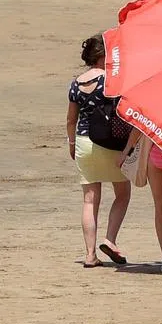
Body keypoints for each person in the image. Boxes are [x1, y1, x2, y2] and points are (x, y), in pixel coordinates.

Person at [66, 34, 133, 268]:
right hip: (110, 142)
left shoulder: (77, 82)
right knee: (122, 194)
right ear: (104, 56)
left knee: (89, 200)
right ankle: (110, 239)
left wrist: (72, 144)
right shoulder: (113, 80)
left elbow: (70, 120)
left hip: (84, 141)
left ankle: (89, 254)